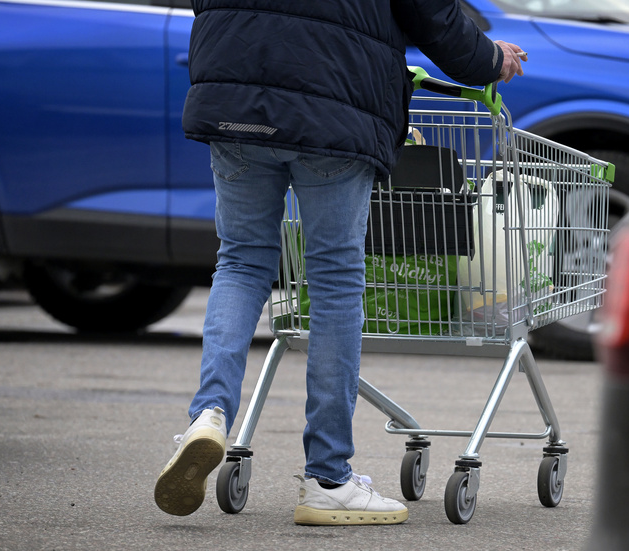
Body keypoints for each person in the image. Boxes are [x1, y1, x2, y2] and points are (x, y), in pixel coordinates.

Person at [154, 0, 527, 525]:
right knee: (333, 280)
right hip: (334, 102)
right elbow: (433, 16)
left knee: (241, 262)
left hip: (234, 93)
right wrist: (490, 59)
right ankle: (328, 477)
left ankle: (208, 415)